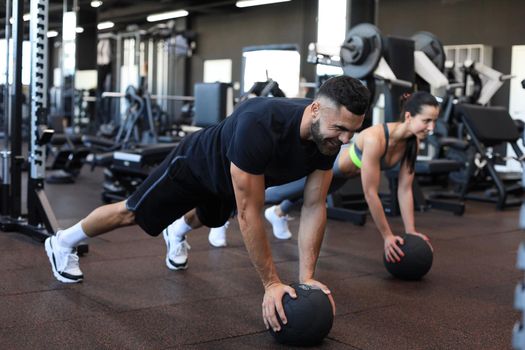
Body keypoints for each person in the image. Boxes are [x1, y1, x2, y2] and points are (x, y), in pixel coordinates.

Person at [44, 75, 370, 332]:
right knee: (131, 213)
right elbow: (248, 213)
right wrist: (272, 283)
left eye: (351, 133)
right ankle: (62, 242)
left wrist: (306, 278)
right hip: (194, 165)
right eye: (339, 129)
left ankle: (177, 232)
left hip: (229, 182)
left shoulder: (324, 144)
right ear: (315, 109)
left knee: (210, 217)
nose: (344, 141)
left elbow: (314, 206)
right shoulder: (260, 124)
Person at [188, 91, 438, 263]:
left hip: (343, 176)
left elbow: (405, 190)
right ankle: (223, 216)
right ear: (408, 117)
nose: (431, 128)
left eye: (434, 121)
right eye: (427, 120)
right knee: (266, 194)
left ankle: (277, 214)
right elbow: (370, 192)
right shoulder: (376, 138)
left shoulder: (410, 145)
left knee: (303, 196)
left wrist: (411, 231)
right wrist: (387, 237)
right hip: (330, 167)